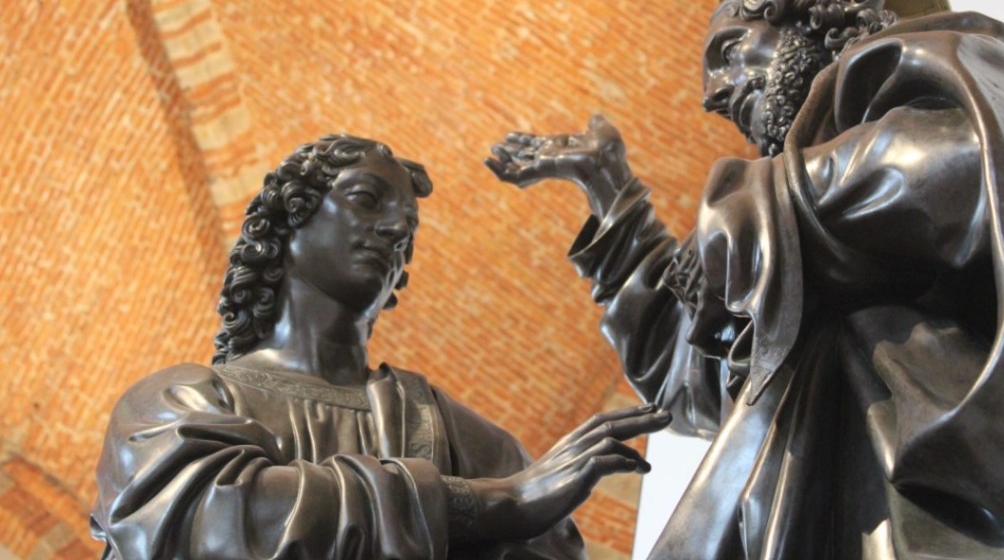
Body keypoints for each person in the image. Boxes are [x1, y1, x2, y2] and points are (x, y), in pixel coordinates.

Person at [487, 0, 1004, 558]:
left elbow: (963, 170)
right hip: (792, 513)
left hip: (936, 500)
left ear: (814, 19)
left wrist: (757, 208)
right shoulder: (777, 249)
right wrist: (609, 189)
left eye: (730, 52)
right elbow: (691, 380)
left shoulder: (933, 60)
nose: (715, 95)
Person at [91, 134, 671, 559]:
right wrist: (487, 505)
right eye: (367, 200)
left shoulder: (464, 438)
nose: (395, 231)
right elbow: (216, 521)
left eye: (408, 229)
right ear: (289, 222)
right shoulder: (174, 405)